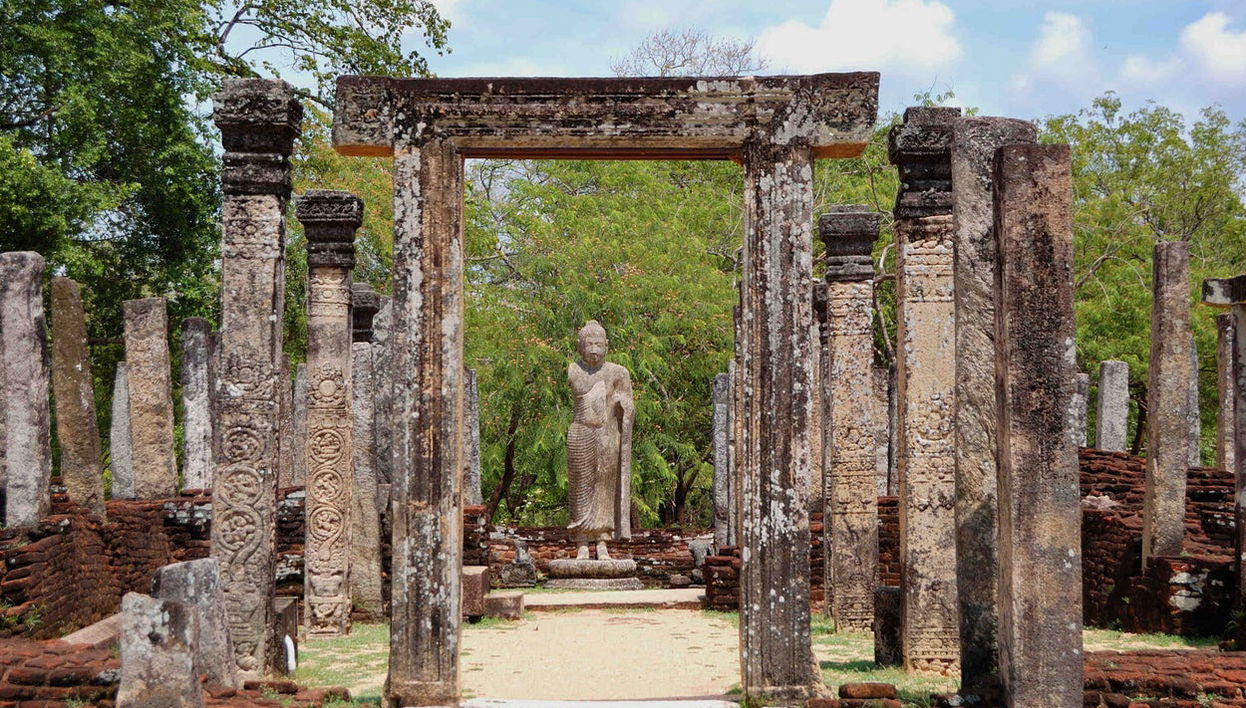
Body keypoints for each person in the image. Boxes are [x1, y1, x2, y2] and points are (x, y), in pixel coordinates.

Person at [566, 319, 634, 560]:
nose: (594, 350)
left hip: (606, 434)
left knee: (604, 488)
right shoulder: (574, 370)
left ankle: (603, 541)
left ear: (606, 345)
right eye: (589, 344)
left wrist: (623, 404)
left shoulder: (618, 372)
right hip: (580, 432)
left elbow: (629, 404)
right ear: (579, 347)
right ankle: (582, 542)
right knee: (580, 488)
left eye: (598, 345)